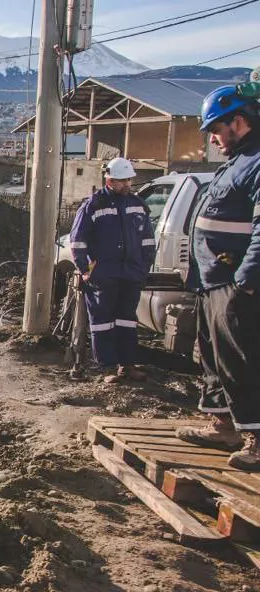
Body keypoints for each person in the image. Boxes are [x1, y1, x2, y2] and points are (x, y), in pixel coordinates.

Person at [174, 85, 260, 469]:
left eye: (215, 129)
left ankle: (256, 440)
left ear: (239, 122)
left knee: (243, 359)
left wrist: (247, 277)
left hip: (235, 282)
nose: (211, 137)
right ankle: (223, 424)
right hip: (212, 281)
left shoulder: (256, 162)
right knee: (214, 358)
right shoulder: (237, 161)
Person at [68, 158, 155, 383]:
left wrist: (142, 268)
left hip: (130, 275)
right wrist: (87, 271)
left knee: (127, 320)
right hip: (103, 276)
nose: (127, 184)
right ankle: (107, 368)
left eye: (128, 180)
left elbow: (147, 241)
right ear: (109, 180)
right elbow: (78, 242)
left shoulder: (137, 205)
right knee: (102, 322)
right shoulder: (93, 206)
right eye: (122, 181)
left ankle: (127, 365)